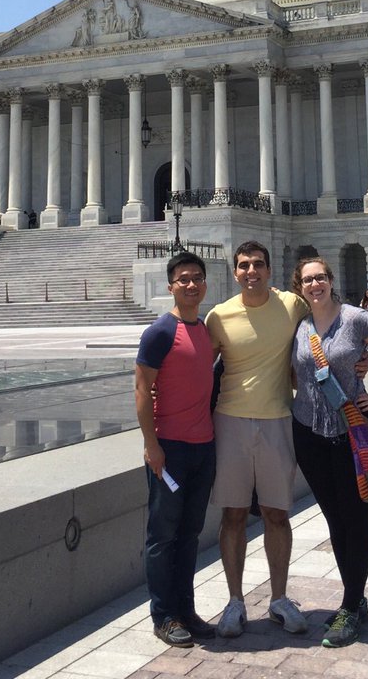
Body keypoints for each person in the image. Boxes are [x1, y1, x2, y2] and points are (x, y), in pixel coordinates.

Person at [291, 256, 368, 647]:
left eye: (321, 277)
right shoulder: (300, 324)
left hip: (350, 433)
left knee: (356, 520)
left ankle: (349, 604)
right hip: (308, 433)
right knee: (335, 521)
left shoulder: (355, 319)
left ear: (331, 280)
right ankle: (354, 602)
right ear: (300, 286)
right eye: (308, 280)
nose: (315, 284)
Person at [204, 240, 308, 638]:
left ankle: (279, 598)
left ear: (269, 270)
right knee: (232, 514)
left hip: (278, 420)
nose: (252, 272)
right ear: (235, 272)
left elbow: (329, 320)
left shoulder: (290, 306)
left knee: (277, 514)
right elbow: (199, 366)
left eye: (258, 265)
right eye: (244, 265)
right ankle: (234, 601)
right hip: (229, 422)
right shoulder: (220, 316)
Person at [135, 251, 217, 648]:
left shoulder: (205, 330)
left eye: (196, 278)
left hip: (203, 448)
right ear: (171, 286)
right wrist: (152, 446)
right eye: (183, 278)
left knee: (190, 534)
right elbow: (140, 389)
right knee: (162, 535)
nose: (190, 284)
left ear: (205, 283)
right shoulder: (159, 332)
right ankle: (163, 615)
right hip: (170, 449)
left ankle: (185, 609)